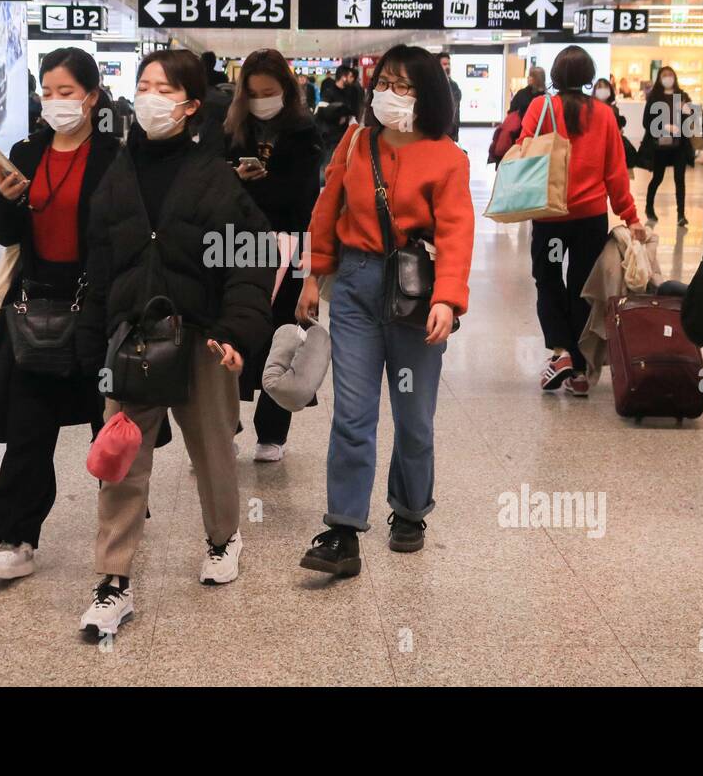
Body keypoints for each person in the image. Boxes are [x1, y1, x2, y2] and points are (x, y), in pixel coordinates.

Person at [75, 49, 274, 635]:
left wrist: (237, 332)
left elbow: (252, 257)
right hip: (135, 338)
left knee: (211, 448)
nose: (149, 98)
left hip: (203, 338)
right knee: (120, 459)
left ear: (189, 106)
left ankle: (222, 538)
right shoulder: (119, 172)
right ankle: (113, 581)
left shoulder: (217, 176)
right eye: (142, 85)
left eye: (163, 89)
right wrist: (94, 334)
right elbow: (102, 258)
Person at [294, 44, 474, 576]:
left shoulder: (447, 157)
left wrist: (448, 296)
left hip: (416, 295)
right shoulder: (355, 142)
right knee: (352, 414)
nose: (389, 95)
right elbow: (327, 210)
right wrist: (314, 274)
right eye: (385, 84)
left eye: (404, 87)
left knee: (414, 416)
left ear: (427, 97)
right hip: (353, 286)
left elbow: (457, 233)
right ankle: (343, 530)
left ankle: (411, 510)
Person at [0, 48, 120, 579]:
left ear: (92, 97)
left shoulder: (114, 156)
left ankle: (119, 534)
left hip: (97, 306)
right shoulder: (26, 152)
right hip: (35, 305)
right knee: (28, 426)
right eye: (48, 93)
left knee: (111, 427)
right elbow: (4, 235)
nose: (56, 103)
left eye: (67, 92)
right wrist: (8, 200)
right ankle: (16, 536)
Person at [521, 48, 648, 396]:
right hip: (589, 220)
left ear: (556, 76)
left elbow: (523, 151)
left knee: (548, 279)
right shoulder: (605, 115)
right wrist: (631, 216)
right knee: (583, 288)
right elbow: (615, 174)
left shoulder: (540, 107)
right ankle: (579, 371)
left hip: (550, 217)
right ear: (589, 75)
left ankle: (562, 352)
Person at [226, 49, 322, 462]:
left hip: (291, 243)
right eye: (254, 93)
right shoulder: (231, 129)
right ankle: (223, 426)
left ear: (286, 89)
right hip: (233, 242)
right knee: (228, 332)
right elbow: (209, 181)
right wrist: (236, 178)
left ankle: (273, 433)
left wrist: (247, 188)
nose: (262, 99)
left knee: (284, 335)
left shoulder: (303, 132)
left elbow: (302, 197)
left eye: (270, 91)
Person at [640, 64, 695, 227]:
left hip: (679, 146)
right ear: (659, 78)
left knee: (680, 179)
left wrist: (687, 111)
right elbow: (646, 122)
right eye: (664, 75)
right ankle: (649, 208)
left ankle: (681, 214)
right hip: (660, 146)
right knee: (657, 178)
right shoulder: (654, 97)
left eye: (670, 75)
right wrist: (663, 126)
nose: (668, 78)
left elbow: (691, 120)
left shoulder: (682, 95)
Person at [593, 76, 638, 178]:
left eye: (605, 87)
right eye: (599, 87)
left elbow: (618, 126)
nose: (602, 90)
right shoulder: (591, 108)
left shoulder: (614, 108)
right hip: (598, 147)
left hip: (613, 145)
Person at [438, 51, 462, 139]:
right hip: (438, 133)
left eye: (449, 64)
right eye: (444, 64)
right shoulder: (432, 86)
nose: (447, 67)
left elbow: (456, 111)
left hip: (451, 133)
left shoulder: (454, 86)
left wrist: (456, 133)